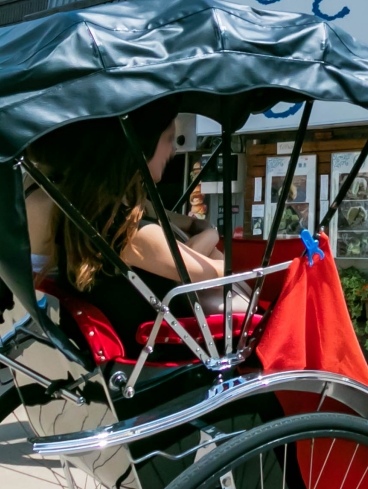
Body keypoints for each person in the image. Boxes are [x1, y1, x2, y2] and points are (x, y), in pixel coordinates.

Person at [23, 102, 225, 346]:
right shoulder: (127, 230)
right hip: (155, 343)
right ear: (142, 146)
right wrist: (211, 236)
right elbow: (215, 273)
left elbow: (189, 229)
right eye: (168, 139)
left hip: (119, 332)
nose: (173, 150)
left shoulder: (95, 208)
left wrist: (204, 236)